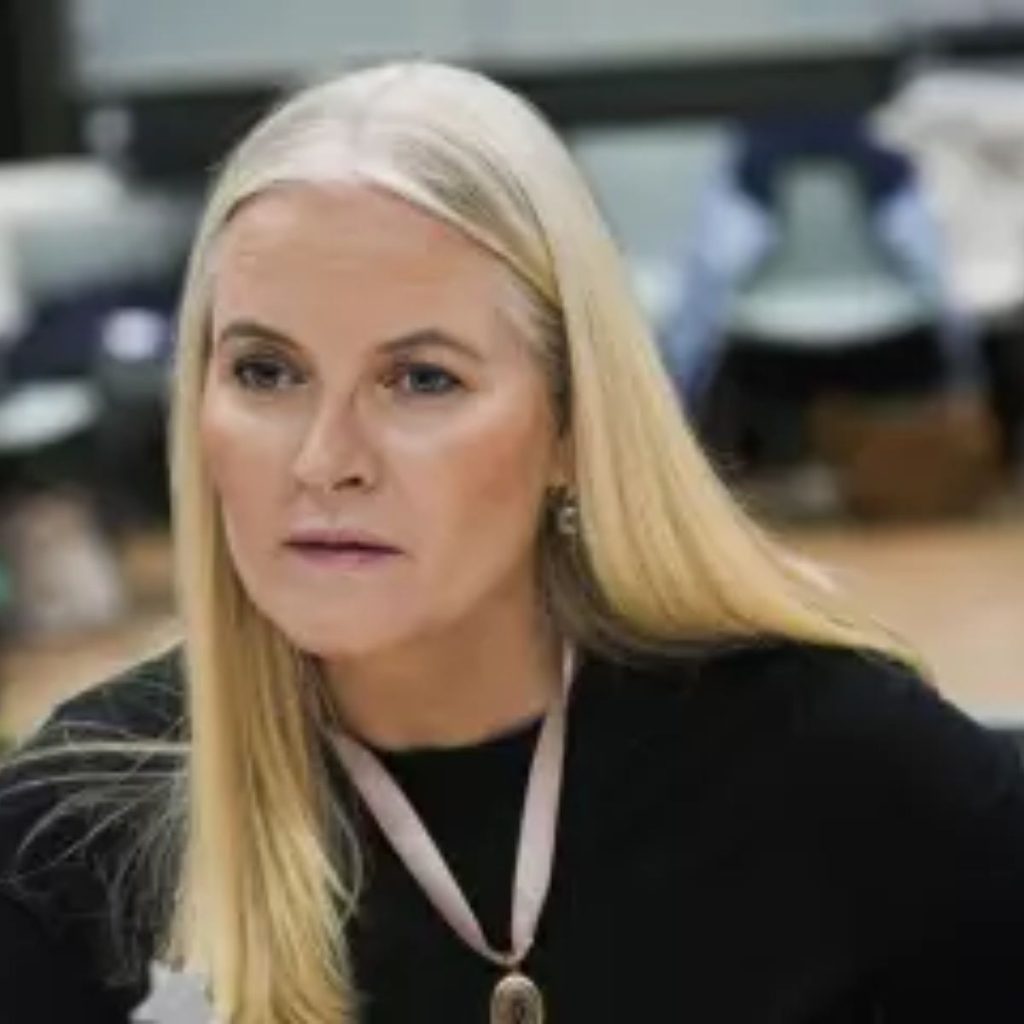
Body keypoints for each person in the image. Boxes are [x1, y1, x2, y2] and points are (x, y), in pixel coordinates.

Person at [1, 61, 1022, 1024]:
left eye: (421, 380)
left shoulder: (841, 767)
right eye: (266, 372)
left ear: (572, 425)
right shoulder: (72, 829)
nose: (323, 460)